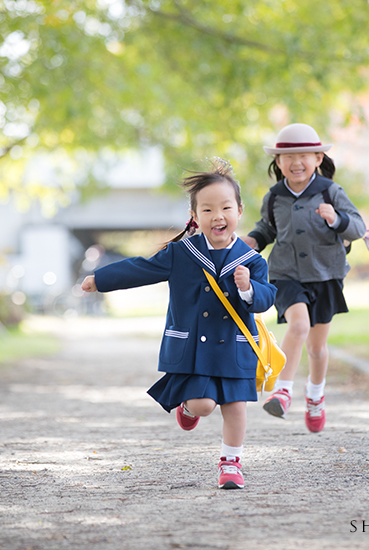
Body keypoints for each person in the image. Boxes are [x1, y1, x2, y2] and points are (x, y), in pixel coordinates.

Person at [81, 159, 276, 489]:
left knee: (235, 406)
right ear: (196, 217)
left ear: (239, 211)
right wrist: (100, 279)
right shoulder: (182, 253)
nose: (218, 216)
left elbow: (267, 298)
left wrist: (249, 288)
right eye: (208, 209)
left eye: (226, 207)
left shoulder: (252, 261)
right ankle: (187, 407)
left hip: (234, 347)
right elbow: (140, 268)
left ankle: (231, 464)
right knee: (203, 405)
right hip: (196, 349)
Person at [240, 123, 366, 433]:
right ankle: (282, 392)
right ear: (278, 163)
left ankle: (315, 396)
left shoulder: (330, 191)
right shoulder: (274, 196)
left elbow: (358, 228)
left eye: (304, 155)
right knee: (298, 326)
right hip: (285, 274)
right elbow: (268, 229)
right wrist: (253, 241)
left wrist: (336, 219)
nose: (296, 163)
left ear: (318, 158)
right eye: (288, 157)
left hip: (325, 275)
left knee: (317, 348)